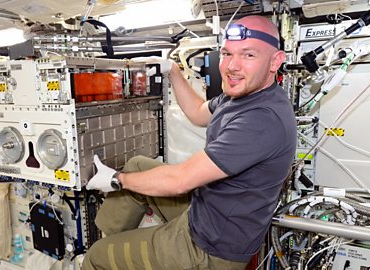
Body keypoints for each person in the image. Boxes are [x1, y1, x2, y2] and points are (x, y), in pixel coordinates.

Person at [82, 15, 297, 270]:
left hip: (208, 248)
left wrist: (117, 179)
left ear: (275, 62)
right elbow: (197, 112)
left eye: (248, 55)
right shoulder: (240, 97)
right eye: (227, 54)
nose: (232, 66)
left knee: (96, 257)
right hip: (206, 212)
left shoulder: (262, 119)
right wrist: (171, 70)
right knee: (138, 165)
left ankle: (104, 255)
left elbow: (179, 181)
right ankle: (115, 242)